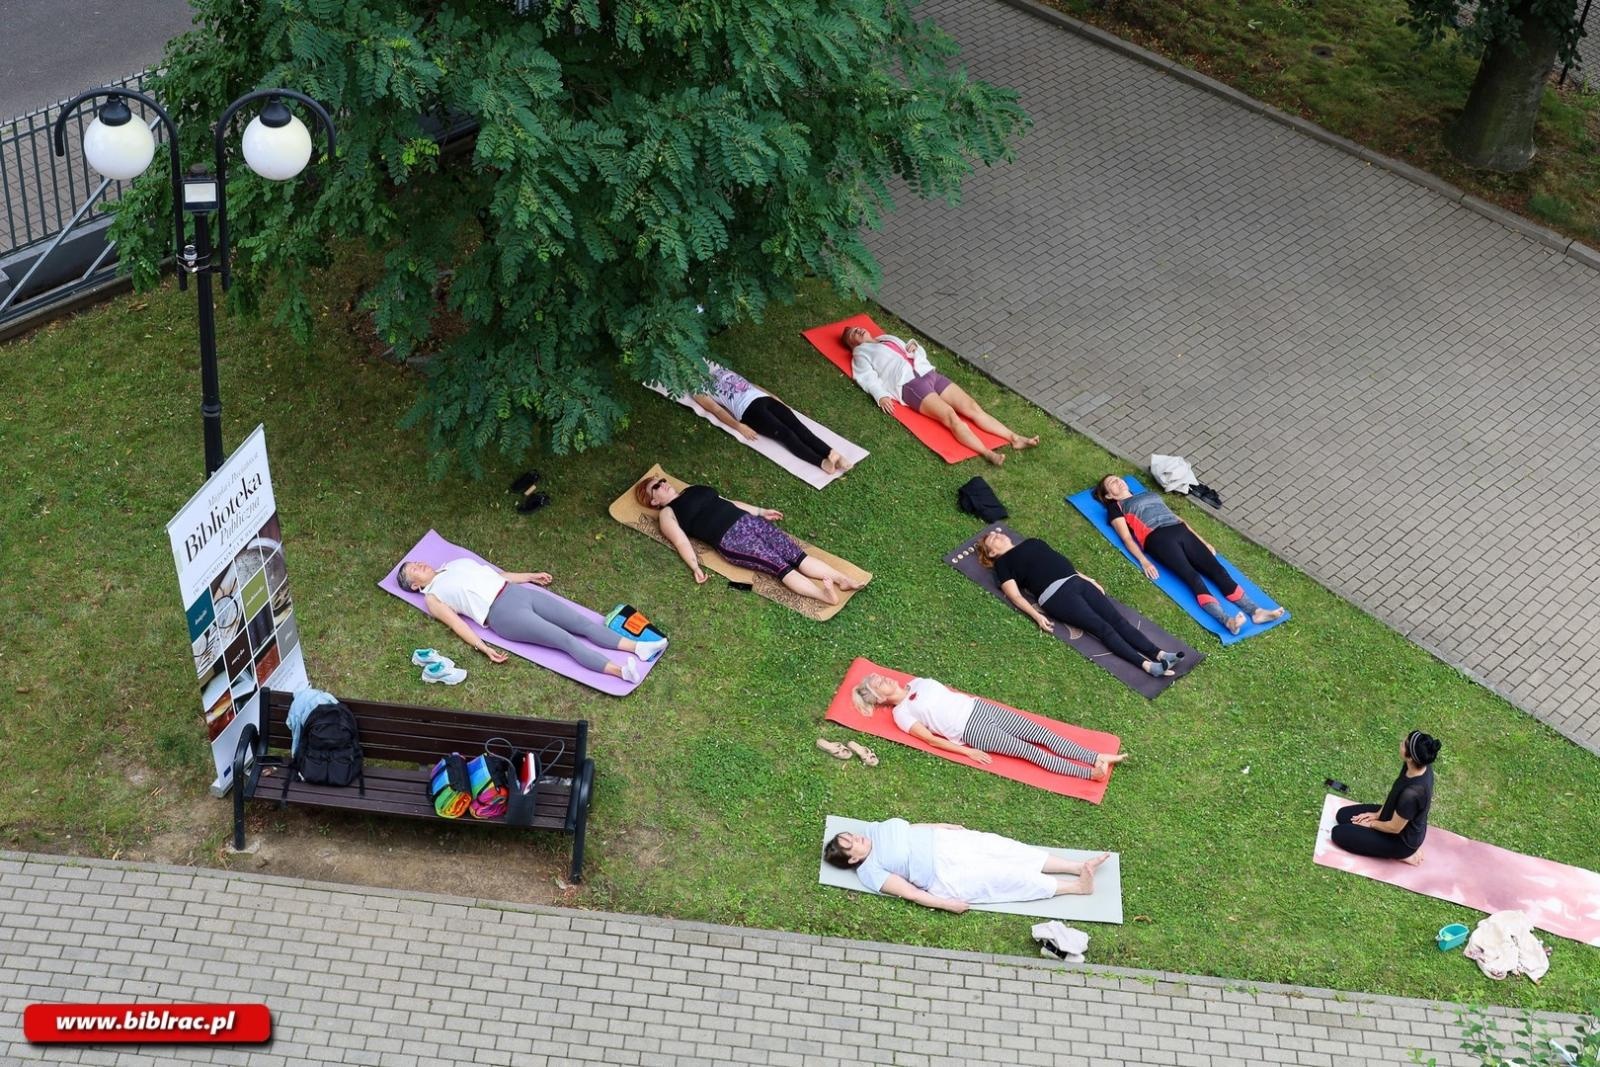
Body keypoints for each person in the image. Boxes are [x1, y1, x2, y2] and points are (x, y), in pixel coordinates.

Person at [396, 559, 664, 682]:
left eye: (416, 562)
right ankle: (622, 673)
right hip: (504, 615)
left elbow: (498, 575)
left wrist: (530, 576)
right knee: (565, 640)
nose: (419, 565)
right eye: (414, 571)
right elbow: (457, 624)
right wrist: (483, 647)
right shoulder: (432, 597)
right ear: (416, 587)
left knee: (581, 624)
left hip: (518, 593)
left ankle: (639, 648)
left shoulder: (455, 563)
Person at [977, 530, 1183, 678]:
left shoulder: (1033, 542)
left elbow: (1062, 561)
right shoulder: (1002, 565)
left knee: (1118, 620)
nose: (998, 534)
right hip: (1056, 596)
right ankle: (1148, 666)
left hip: (1076, 581)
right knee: (1102, 628)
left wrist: (1088, 579)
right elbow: (1015, 596)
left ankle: (1161, 654)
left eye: (997, 532)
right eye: (992, 538)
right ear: (992, 553)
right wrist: (1037, 616)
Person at [1094, 475, 1285, 635]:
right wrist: (1144, 561)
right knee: (1192, 577)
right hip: (1158, 539)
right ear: (1109, 495)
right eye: (1112, 483)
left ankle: (1256, 611)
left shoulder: (1148, 494)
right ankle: (1228, 622)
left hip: (1180, 530)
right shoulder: (1116, 508)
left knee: (1217, 570)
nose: (1118, 481)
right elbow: (1127, 538)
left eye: (1118, 478)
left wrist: (1202, 541)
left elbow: (1179, 519)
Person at [634, 476, 865, 605]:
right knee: (780, 565)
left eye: (662, 479)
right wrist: (694, 566)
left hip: (748, 521)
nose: (663, 483)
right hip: (731, 539)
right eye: (656, 486)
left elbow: (728, 503)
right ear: (653, 501)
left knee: (796, 554)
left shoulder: (694, 489)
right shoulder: (667, 514)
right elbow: (681, 542)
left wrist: (760, 511)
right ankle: (823, 595)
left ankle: (841, 579)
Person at [850, 674, 1126, 781]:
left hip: (980, 708)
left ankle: (1096, 757)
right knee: (1032, 752)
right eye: (879, 684)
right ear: (880, 698)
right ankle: (1090, 774)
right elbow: (931, 740)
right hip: (972, 732)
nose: (885, 679)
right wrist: (966, 752)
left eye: (881, 677)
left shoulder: (919, 682)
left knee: (1044, 734)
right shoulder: (901, 713)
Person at [842, 325, 1038, 466]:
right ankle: (987, 453)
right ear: (852, 344)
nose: (857, 330)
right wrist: (880, 395)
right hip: (910, 385)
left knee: (973, 408)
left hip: (929, 374)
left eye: (857, 328)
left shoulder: (887, 338)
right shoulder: (861, 354)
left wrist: (914, 346)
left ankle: (1015, 438)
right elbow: (867, 377)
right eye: (852, 334)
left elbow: (911, 348)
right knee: (951, 416)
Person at [823, 818, 1109, 912]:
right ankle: (1076, 887)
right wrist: (946, 905)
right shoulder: (870, 871)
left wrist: (941, 825)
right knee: (1004, 876)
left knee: (1007, 850)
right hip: (943, 874)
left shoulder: (874, 829)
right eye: (852, 844)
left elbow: (911, 828)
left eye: (850, 835)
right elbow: (909, 892)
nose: (857, 838)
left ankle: (1076, 866)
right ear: (853, 859)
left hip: (947, 842)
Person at [690, 361, 852, 475]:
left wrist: (776, 398)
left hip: (764, 399)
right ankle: (821, 462)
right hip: (749, 411)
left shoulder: (718, 368)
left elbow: (751, 385)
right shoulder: (697, 389)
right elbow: (716, 410)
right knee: (786, 434)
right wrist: (738, 426)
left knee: (800, 428)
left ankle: (834, 455)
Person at [1330, 731, 1441, 865]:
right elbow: (1395, 793)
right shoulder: (1415, 764)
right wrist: (1377, 814)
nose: (1400, 743)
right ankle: (1386, 845)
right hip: (1393, 816)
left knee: (1338, 833)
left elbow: (1394, 828)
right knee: (1342, 815)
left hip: (1401, 840)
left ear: (1410, 757)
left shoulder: (1413, 793)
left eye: (1403, 744)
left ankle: (1404, 854)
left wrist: (1371, 824)